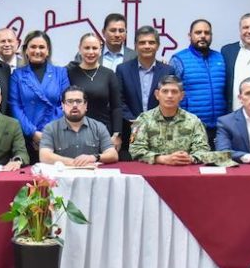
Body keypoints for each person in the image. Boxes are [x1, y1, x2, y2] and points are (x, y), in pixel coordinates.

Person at [9, 30, 70, 162]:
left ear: (48, 51)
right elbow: (15, 107)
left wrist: (46, 134)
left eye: (42, 47)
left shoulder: (61, 73)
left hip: (55, 136)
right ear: (26, 50)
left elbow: (66, 104)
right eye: (33, 47)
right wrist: (33, 133)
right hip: (25, 139)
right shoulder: (17, 75)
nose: (37, 51)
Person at [115, 26, 174, 160]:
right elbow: (119, 100)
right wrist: (136, 121)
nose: (147, 46)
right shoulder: (122, 70)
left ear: (158, 45)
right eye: (142, 42)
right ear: (135, 46)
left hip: (160, 132)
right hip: (130, 131)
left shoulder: (168, 70)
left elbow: (171, 100)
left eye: (151, 42)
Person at [129, 75, 211, 165]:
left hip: (184, 170)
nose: (169, 95)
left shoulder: (194, 121)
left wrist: (190, 158)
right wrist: (161, 159)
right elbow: (135, 149)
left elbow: (203, 150)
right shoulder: (142, 119)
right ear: (157, 94)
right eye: (165, 91)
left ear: (182, 96)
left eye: (174, 92)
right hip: (154, 172)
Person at [169, 19, 227, 146]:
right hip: (190, 127)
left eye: (207, 33)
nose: (202, 36)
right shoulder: (178, 59)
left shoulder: (220, 58)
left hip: (219, 128)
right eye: (198, 32)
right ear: (190, 36)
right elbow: (171, 95)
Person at [39, 86, 119, 166]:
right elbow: (44, 156)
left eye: (78, 101)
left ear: (85, 105)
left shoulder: (98, 127)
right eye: (69, 101)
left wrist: (94, 157)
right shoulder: (50, 128)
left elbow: (113, 155)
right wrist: (76, 163)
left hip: (90, 176)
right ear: (63, 106)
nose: (74, 105)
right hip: (62, 176)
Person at [66, 33, 122, 146]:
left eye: (94, 48)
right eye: (87, 48)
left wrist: (116, 135)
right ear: (79, 49)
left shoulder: (109, 74)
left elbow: (117, 107)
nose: (91, 52)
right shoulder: (69, 73)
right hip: (74, 133)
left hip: (104, 134)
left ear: (100, 50)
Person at [73, 13, 137, 71]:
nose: (117, 35)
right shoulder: (87, 54)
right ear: (103, 32)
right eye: (113, 30)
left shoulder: (135, 56)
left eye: (121, 31)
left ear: (126, 34)